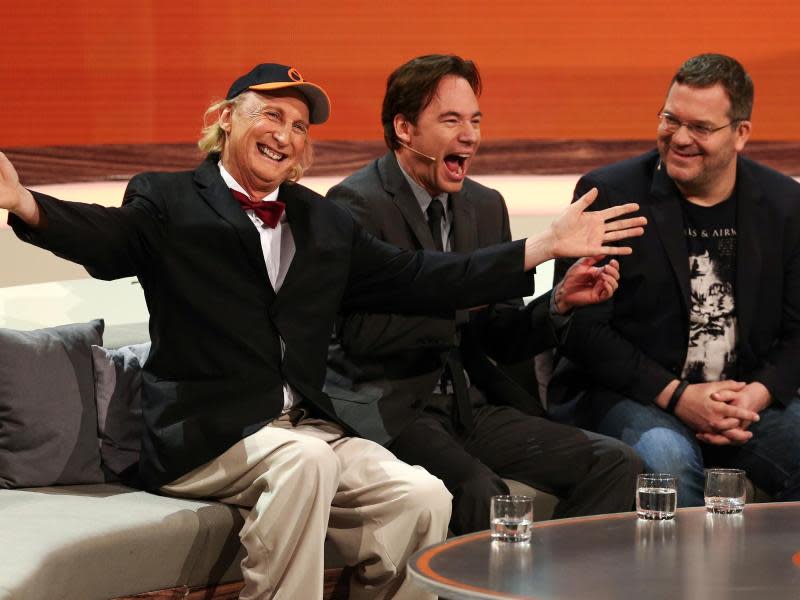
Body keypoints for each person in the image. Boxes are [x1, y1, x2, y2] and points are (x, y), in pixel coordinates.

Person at [0, 63, 644, 599]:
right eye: (270, 115)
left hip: (302, 427)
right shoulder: (169, 201)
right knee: (306, 462)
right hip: (204, 435)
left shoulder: (319, 222)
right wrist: (27, 203)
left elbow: (424, 276)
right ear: (226, 118)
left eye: (299, 125)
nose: (285, 134)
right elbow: (109, 240)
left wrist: (539, 249)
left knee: (419, 496)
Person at [325, 54, 644, 535]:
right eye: (451, 120)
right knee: (482, 492)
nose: (470, 135)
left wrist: (557, 303)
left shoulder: (485, 206)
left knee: (617, 463)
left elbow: (499, 336)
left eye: (475, 120)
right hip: (392, 405)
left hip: (471, 405)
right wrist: (460, 295)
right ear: (405, 129)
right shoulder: (356, 204)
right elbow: (362, 336)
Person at [548, 53, 800, 507]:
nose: (680, 138)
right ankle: (677, 581)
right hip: (633, 394)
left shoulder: (785, 205)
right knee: (667, 458)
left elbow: (798, 330)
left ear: (740, 133)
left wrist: (755, 397)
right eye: (670, 119)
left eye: (700, 127)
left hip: (740, 401)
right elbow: (583, 332)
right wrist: (679, 396)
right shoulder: (612, 196)